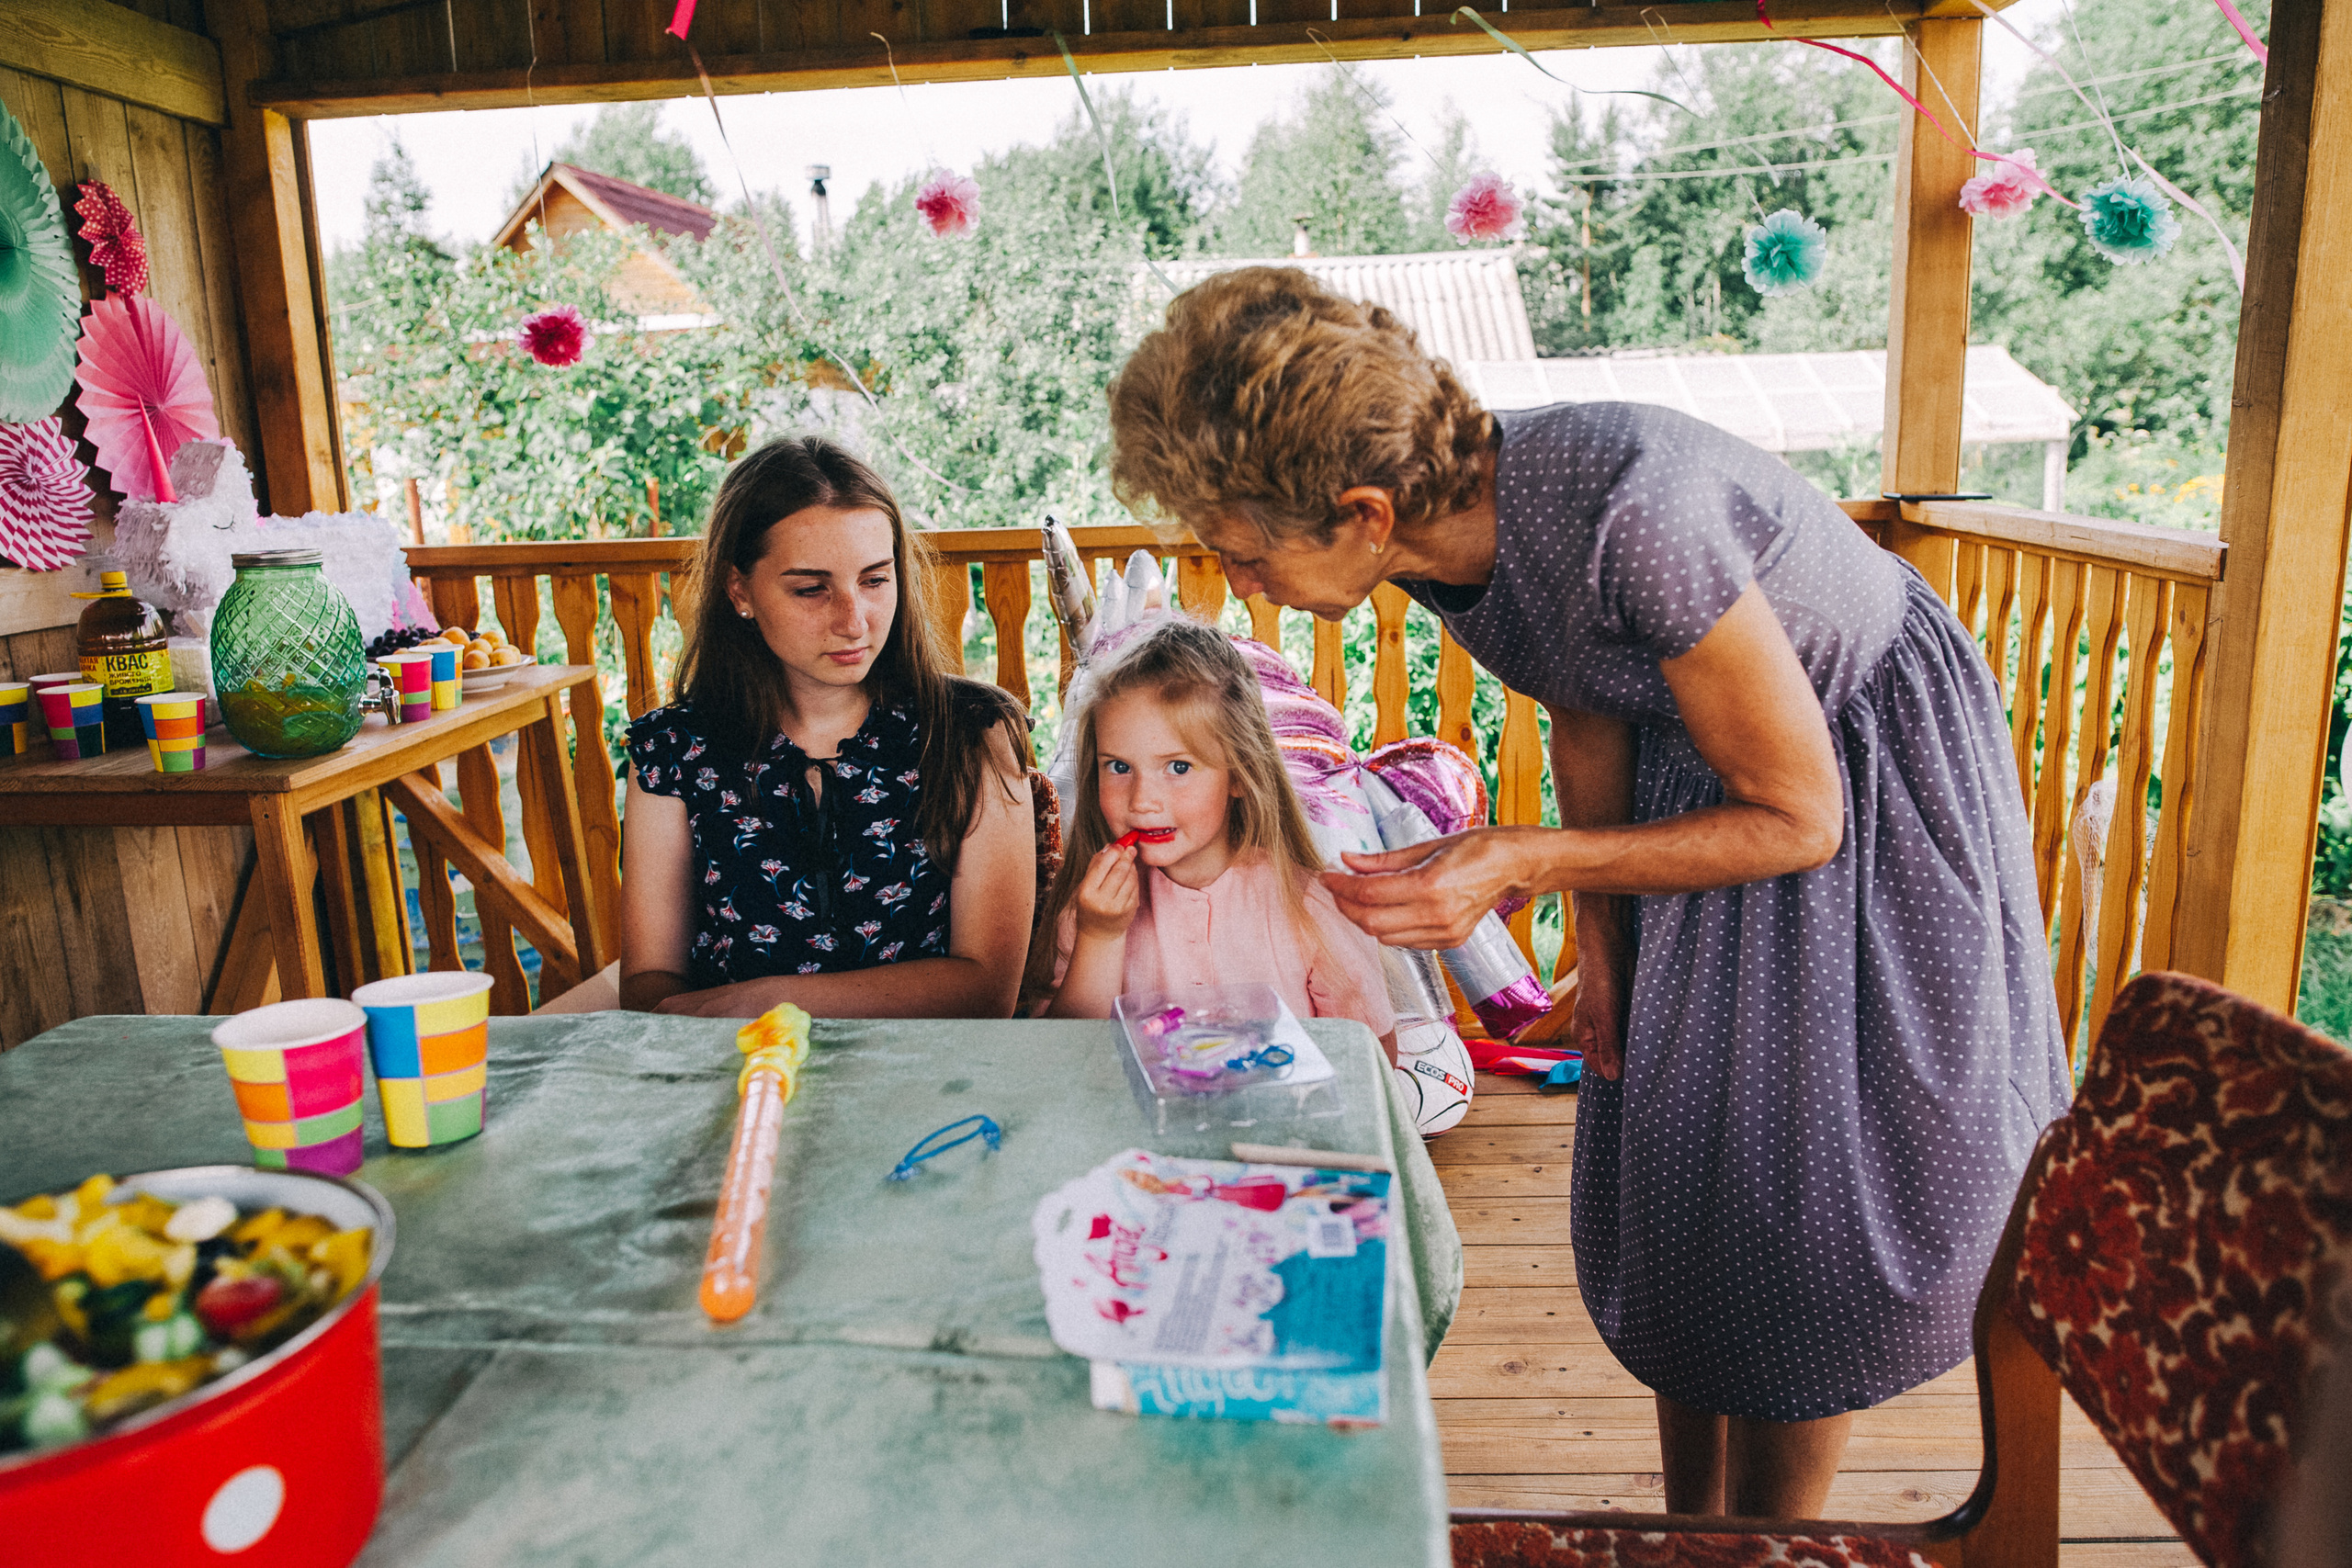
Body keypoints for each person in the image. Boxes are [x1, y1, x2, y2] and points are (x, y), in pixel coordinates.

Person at [1103, 266, 2070, 1519]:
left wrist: (1519, 859)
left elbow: (1798, 814)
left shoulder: (1637, 512)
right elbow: (1587, 705)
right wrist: (1604, 950)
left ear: (1358, 512)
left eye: (1244, 553)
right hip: (1697, 772)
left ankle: (1767, 1544)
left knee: (1795, 1192)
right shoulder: (1448, 538)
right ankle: (1691, 1529)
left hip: (1851, 780)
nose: (1241, 586)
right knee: (1677, 1142)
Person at [620, 436, 1035, 1019]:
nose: (853, 620)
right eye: (812, 589)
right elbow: (647, 985)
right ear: (740, 590)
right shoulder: (673, 753)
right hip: (738, 1077)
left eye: (875, 580)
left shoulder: (970, 733)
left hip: (932, 1084)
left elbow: (987, 990)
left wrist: (768, 1000)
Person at [1033, 617, 1397, 1057]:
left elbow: (1371, 1061)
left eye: (1179, 767)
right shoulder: (1091, 911)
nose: (1143, 801)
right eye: (1119, 767)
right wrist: (1100, 938)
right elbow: (1065, 1061)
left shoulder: (1312, 908)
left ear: (1240, 774)